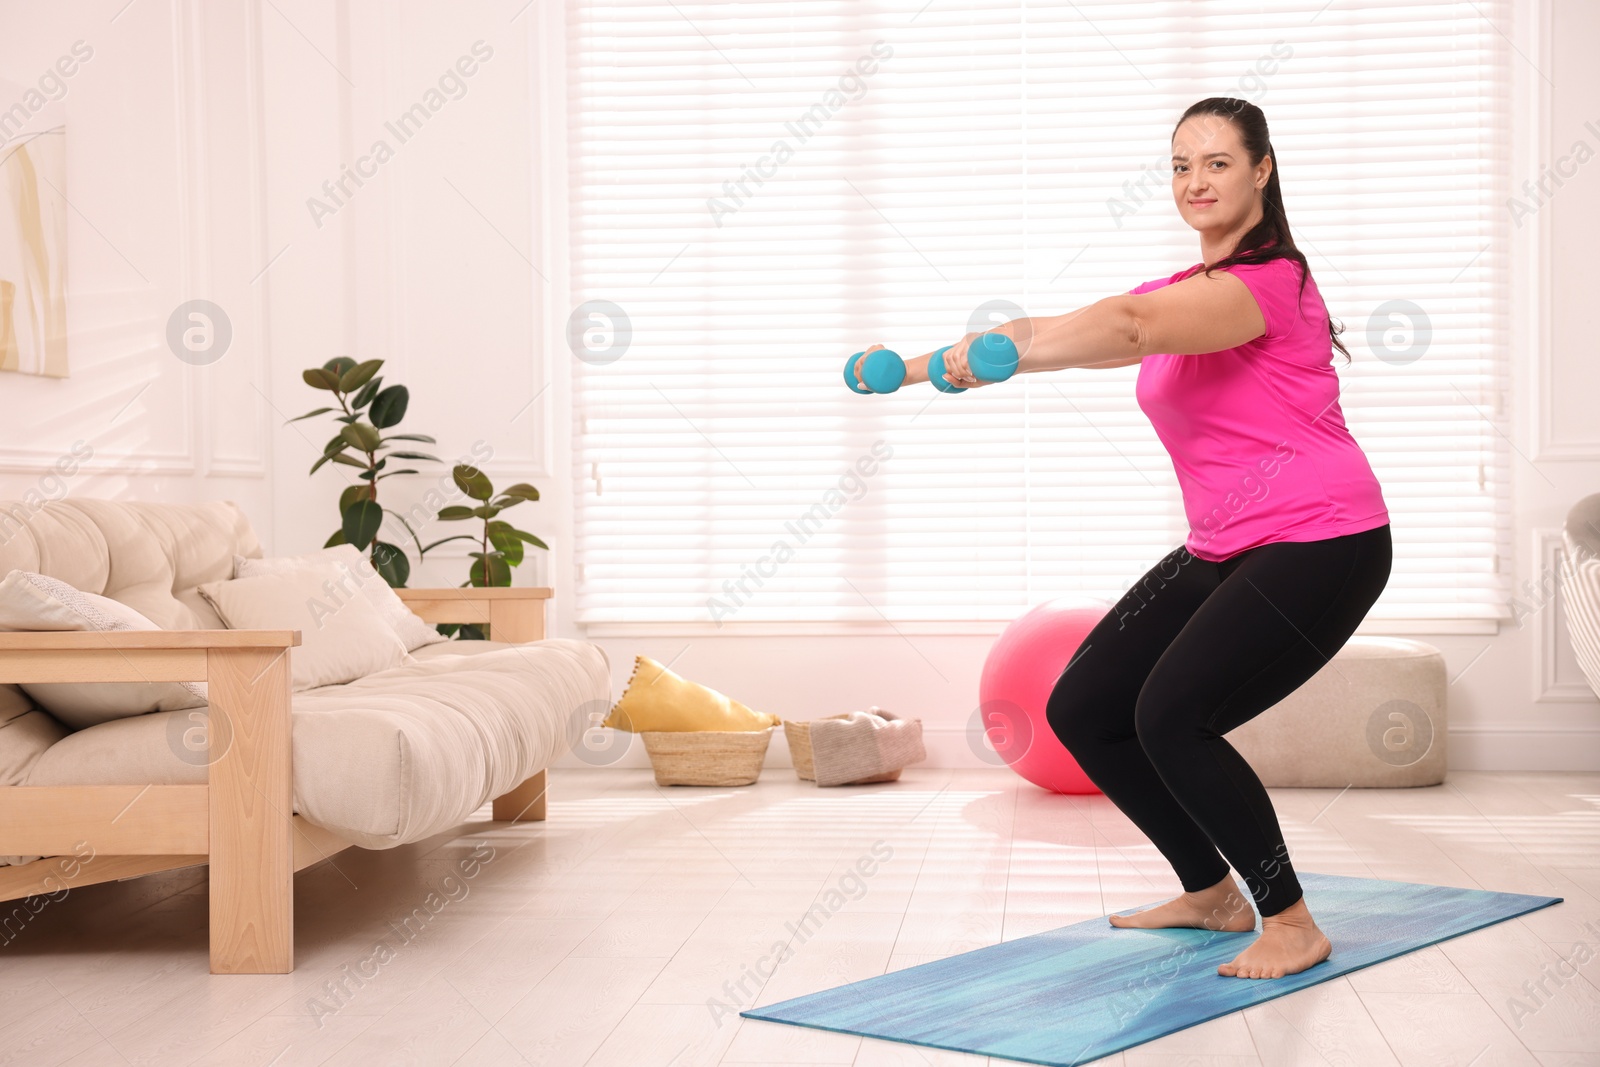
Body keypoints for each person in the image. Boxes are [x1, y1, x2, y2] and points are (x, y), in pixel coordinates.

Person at [858, 96, 1392, 980]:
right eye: (1181, 166)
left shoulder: (1270, 286)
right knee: (1083, 710)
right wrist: (926, 367)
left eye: (1217, 162)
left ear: (1262, 171)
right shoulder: (1182, 294)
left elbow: (1127, 328)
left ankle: (1292, 922)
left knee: (1172, 715)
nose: (1195, 182)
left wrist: (1016, 357)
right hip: (1227, 543)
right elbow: (1063, 328)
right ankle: (1210, 890)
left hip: (1323, 540)